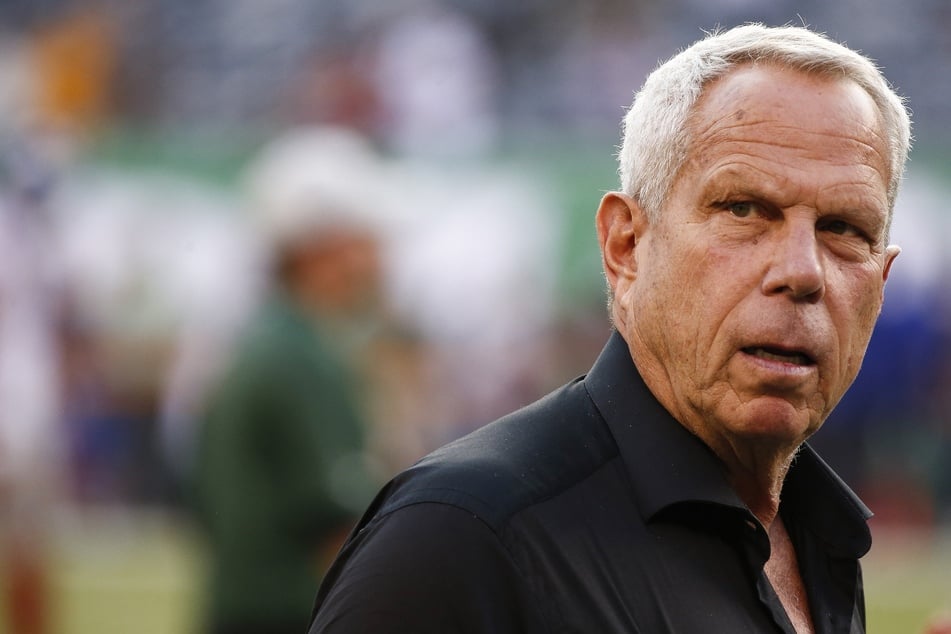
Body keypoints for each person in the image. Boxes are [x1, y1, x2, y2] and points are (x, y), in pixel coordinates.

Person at [307, 24, 911, 634]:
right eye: (744, 210)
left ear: (880, 285)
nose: (803, 272)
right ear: (626, 246)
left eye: (844, 228)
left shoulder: (817, 536)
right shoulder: (464, 536)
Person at [192, 126, 389, 634]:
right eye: (365, 239)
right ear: (322, 249)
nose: (378, 258)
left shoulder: (257, 344)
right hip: (287, 614)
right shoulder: (301, 358)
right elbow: (340, 529)